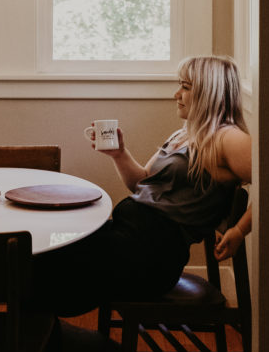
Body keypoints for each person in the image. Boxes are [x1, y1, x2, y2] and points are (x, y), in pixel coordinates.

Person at [29, 54, 252, 317]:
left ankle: (41, 345)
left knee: (50, 263)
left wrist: (238, 231)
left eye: (186, 87)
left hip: (152, 255)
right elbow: (141, 183)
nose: (176, 94)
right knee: (50, 248)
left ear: (209, 93)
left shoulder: (227, 138)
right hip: (128, 238)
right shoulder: (183, 133)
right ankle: (40, 341)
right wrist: (119, 154)